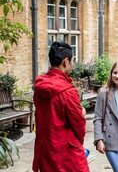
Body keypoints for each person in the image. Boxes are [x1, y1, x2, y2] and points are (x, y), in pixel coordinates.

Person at [32, 41, 90, 172]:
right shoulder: (68, 91)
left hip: (46, 150)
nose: (72, 64)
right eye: (72, 61)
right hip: (66, 153)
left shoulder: (40, 87)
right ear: (65, 61)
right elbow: (78, 125)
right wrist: (82, 113)